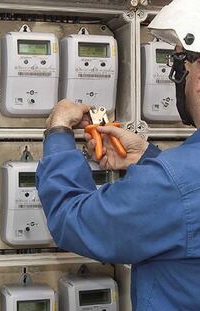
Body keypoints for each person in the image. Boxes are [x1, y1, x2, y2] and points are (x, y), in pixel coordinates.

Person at [36, 0, 200, 309]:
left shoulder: (177, 184)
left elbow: (72, 220)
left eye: (181, 65)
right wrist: (147, 158)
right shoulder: (180, 180)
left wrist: (58, 131)